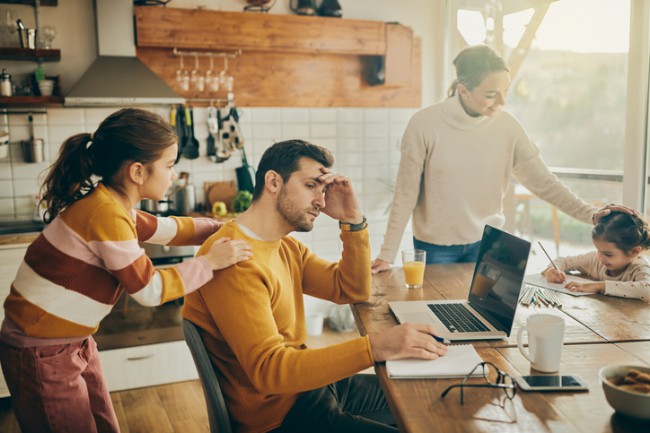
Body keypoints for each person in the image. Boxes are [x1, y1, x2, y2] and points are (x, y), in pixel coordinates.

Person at [0, 108, 253, 433]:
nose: (173, 175)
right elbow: (149, 291)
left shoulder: (114, 206)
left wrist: (223, 227)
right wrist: (210, 263)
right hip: (39, 350)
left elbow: (170, 229)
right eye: (169, 165)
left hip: (71, 342)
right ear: (137, 171)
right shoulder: (105, 213)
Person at [182, 139, 448, 433]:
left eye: (322, 189)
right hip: (281, 418)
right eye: (311, 186)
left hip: (307, 389)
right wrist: (376, 347)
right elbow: (270, 372)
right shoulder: (234, 258)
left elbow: (350, 289)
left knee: (430, 396)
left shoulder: (284, 246)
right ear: (273, 181)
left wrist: (352, 221)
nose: (321, 201)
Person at [372, 44, 633, 271]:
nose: (501, 102)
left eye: (505, 91)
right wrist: (386, 255)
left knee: (488, 324)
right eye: (490, 95)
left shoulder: (508, 127)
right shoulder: (424, 124)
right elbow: (405, 194)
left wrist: (591, 214)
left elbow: (544, 182)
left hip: (490, 243)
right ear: (463, 90)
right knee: (439, 322)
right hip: (437, 247)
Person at [542, 211, 650, 302]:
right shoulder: (595, 259)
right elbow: (563, 261)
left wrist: (598, 286)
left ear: (634, 251)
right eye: (598, 250)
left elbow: (647, 289)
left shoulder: (639, 266)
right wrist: (551, 270)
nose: (600, 258)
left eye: (608, 254)